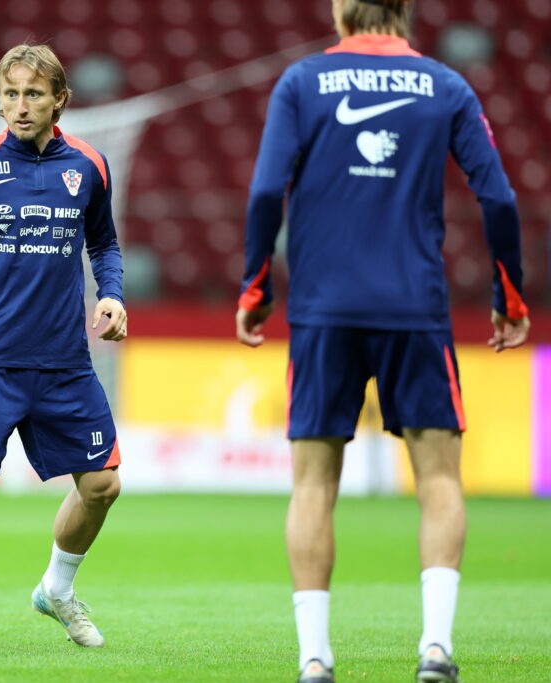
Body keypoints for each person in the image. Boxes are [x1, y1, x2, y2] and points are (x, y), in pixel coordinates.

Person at [235, 1, 530, 681]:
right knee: (438, 480)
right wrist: (508, 295)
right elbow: (499, 197)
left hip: (323, 310)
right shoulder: (447, 86)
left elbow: (262, 192)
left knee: (312, 485)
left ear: (340, 8)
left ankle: (314, 657)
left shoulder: (302, 82)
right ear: (406, 8)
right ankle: (434, 648)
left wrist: (255, 288)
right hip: (413, 307)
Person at [0, 43, 127, 651]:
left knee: (103, 487)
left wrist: (111, 295)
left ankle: (57, 591)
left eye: (33, 94)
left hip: (65, 362)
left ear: (60, 100)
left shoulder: (89, 165)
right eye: (10, 94)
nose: (20, 105)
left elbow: (105, 246)